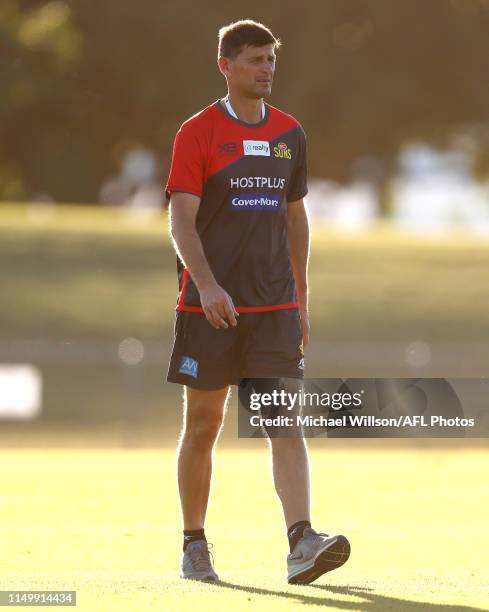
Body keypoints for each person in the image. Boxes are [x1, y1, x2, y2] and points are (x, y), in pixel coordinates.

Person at [165, 19, 350, 584]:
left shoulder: (290, 133)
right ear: (225, 65)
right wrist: (209, 285)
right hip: (210, 307)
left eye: (271, 59)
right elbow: (181, 222)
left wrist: (302, 298)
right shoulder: (197, 132)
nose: (266, 69)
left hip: (274, 308)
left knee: (283, 419)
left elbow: (296, 219)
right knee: (203, 423)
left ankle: (301, 541)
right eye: (254, 60)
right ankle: (194, 545)